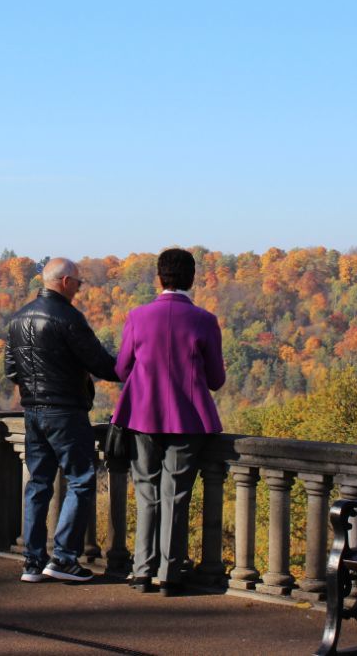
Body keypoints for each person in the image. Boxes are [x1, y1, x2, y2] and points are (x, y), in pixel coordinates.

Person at [111, 248, 225, 595]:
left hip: (142, 414)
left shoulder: (137, 317)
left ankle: (141, 570)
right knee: (175, 495)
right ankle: (169, 575)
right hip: (189, 419)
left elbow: (121, 369)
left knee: (147, 492)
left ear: (159, 279)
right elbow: (216, 380)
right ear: (192, 279)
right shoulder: (205, 321)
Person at [5, 257, 118, 583]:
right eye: (79, 282)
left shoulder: (18, 318)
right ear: (66, 281)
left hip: (32, 411)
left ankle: (32, 562)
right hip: (66, 411)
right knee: (81, 480)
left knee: (38, 484)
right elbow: (101, 364)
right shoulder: (68, 318)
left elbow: (11, 370)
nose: (80, 288)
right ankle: (65, 559)